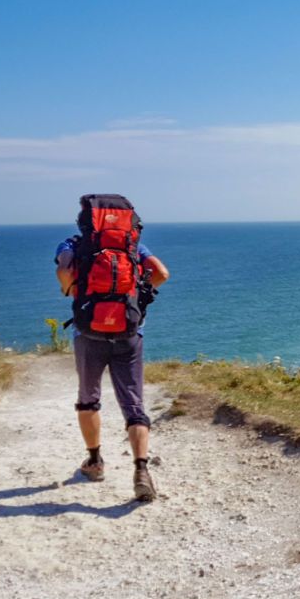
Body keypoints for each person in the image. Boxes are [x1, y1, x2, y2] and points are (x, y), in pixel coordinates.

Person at [54, 202, 170, 501]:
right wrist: (140, 299)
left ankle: (94, 462)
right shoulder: (134, 246)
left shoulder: (73, 245)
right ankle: (142, 470)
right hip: (129, 333)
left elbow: (65, 275)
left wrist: (74, 290)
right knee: (133, 404)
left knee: (88, 399)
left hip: (89, 333)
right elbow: (161, 273)